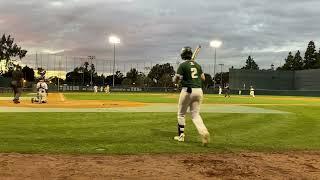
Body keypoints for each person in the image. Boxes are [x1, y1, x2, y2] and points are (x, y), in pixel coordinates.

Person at [172, 46, 210, 146]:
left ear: (183, 55)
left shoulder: (182, 65)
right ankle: (203, 132)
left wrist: (177, 80)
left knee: (181, 114)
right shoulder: (197, 65)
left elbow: (176, 79)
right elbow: (203, 78)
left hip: (187, 91)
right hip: (199, 91)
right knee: (195, 115)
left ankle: (181, 136)